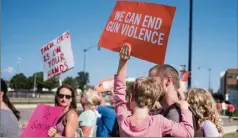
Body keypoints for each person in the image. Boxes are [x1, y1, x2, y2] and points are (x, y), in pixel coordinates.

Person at [113, 43, 194, 137]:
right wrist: (185, 109)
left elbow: (119, 92)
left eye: (152, 80)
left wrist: (123, 61)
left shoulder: (123, 118)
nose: (150, 85)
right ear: (152, 101)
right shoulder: (160, 121)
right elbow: (188, 133)